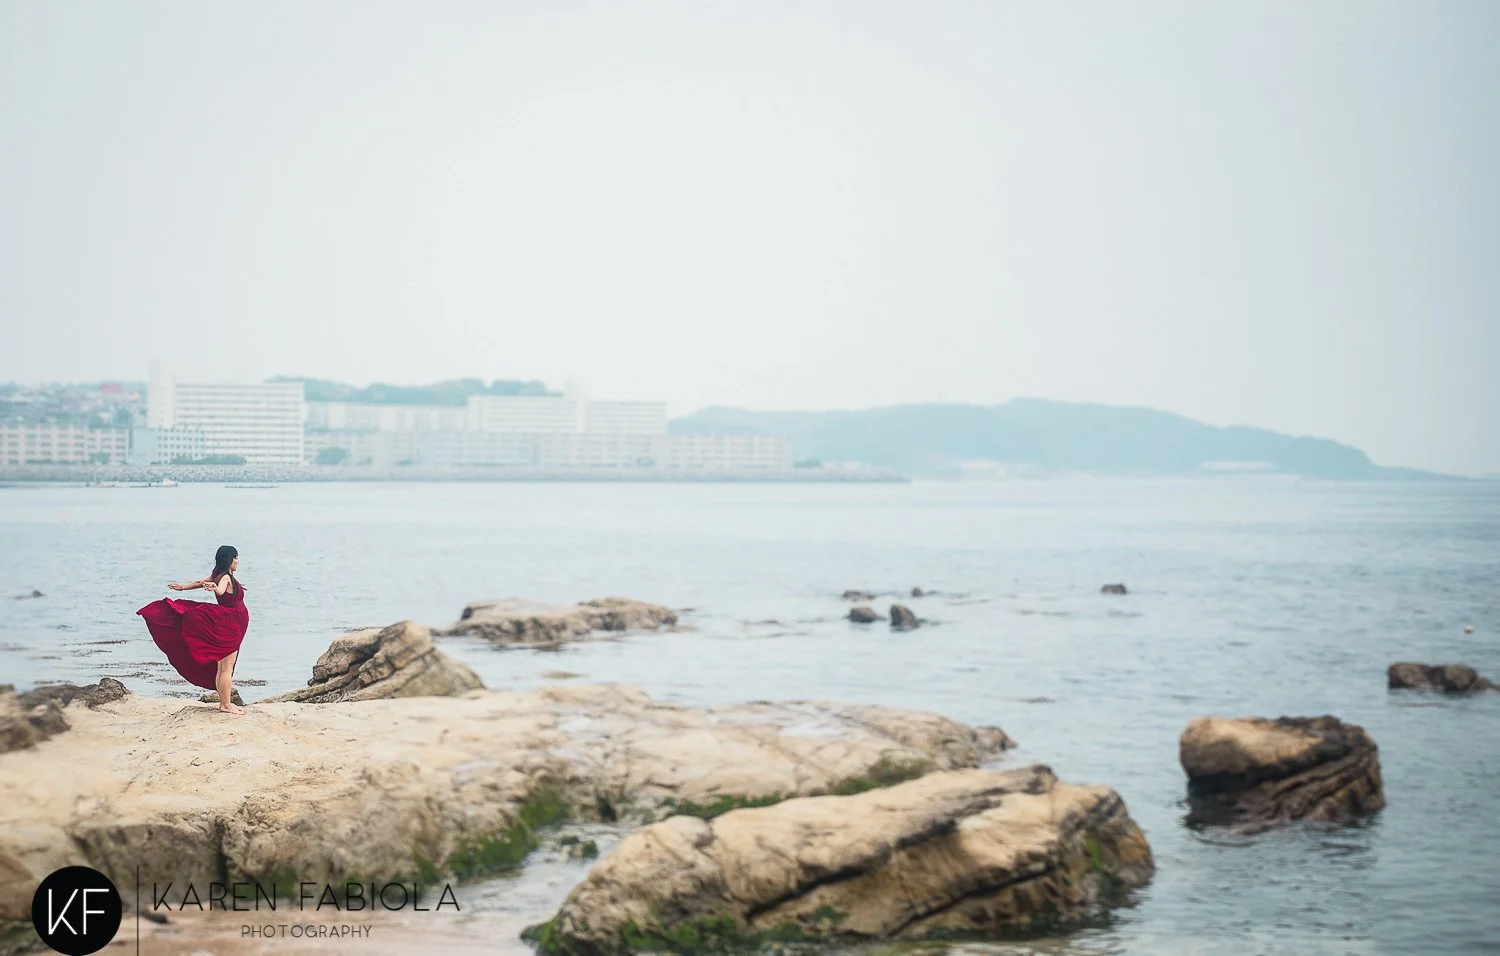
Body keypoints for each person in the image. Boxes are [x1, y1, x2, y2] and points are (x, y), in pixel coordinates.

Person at [137, 545, 250, 715]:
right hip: (231, 625)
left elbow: (199, 583)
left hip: (231, 623)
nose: (238, 561)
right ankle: (226, 705)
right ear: (229, 560)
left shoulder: (218, 575)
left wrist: (182, 587)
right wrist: (214, 588)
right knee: (226, 668)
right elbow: (219, 590)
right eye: (236, 558)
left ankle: (223, 703)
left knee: (222, 667)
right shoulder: (225, 577)